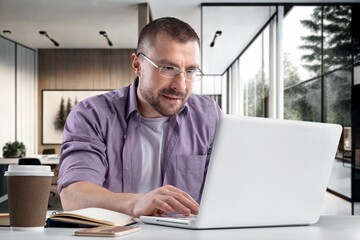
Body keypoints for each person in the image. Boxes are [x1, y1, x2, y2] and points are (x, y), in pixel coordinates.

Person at [58, 17, 222, 218]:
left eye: (189, 71)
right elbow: (73, 196)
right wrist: (136, 202)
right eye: (167, 68)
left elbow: (232, 185)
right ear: (137, 65)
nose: (181, 85)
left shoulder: (209, 116)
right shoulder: (92, 115)